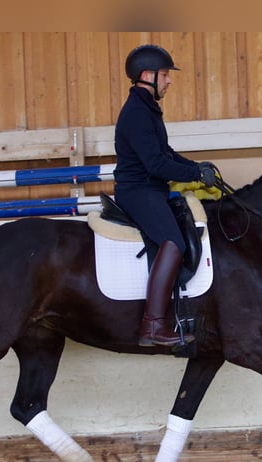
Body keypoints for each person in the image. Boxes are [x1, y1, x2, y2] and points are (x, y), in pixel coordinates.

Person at [114, 44, 217, 347]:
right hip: (138, 191)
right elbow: (156, 164)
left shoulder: (147, 108)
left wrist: (197, 166)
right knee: (173, 242)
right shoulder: (136, 112)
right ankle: (153, 325)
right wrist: (196, 175)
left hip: (151, 189)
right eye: (165, 75)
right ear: (147, 75)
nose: (169, 80)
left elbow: (166, 153)